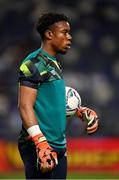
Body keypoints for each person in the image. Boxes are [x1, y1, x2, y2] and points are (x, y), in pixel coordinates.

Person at [18, 12, 99, 179]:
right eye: (64, 32)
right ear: (49, 34)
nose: (69, 37)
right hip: (40, 146)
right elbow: (24, 106)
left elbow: (50, 101)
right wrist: (40, 143)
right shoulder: (32, 64)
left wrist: (79, 111)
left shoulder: (54, 63)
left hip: (58, 145)